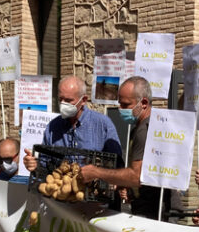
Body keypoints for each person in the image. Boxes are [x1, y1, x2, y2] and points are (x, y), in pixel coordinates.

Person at [70, 76, 169, 220]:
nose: (120, 109)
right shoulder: (145, 126)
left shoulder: (145, 131)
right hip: (149, 206)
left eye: (126, 104)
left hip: (155, 213)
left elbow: (136, 176)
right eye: (120, 104)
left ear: (144, 103)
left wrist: (96, 172)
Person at [40, 75, 122, 157]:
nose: (63, 104)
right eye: (60, 99)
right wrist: (34, 164)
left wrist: (96, 169)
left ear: (83, 100)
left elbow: (117, 163)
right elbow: (44, 162)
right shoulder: (53, 127)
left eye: (68, 100)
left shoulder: (102, 124)